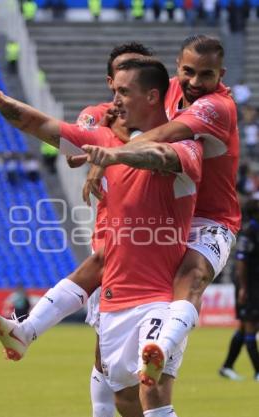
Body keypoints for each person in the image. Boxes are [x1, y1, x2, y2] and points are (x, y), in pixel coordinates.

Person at [0, 57, 203, 417]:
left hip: (161, 301)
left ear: (152, 96)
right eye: (113, 90)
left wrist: (115, 157)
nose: (112, 101)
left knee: (156, 398)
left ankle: (29, 332)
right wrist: (1, 102)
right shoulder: (102, 140)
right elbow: (42, 126)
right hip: (116, 303)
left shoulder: (185, 144)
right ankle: (28, 333)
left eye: (122, 92)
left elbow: (161, 158)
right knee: (123, 397)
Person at [83, 35, 241, 378]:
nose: (196, 82)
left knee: (193, 274)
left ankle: (160, 351)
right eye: (189, 71)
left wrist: (110, 156)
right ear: (177, 67)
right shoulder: (164, 89)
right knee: (107, 277)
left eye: (207, 74)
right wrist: (93, 129)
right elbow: (108, 113)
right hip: (164, 214)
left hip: (209, 217)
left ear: (221, 74)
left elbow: (169, 132)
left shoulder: (219, 105)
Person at [219, 198, 259, 382]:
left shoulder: (254, 229)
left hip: (252, 285)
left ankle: (227, 367)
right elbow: (241, 261)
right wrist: (243, 288)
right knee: (251, 327)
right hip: (248, 287)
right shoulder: (249, 232)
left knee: (244, 328)